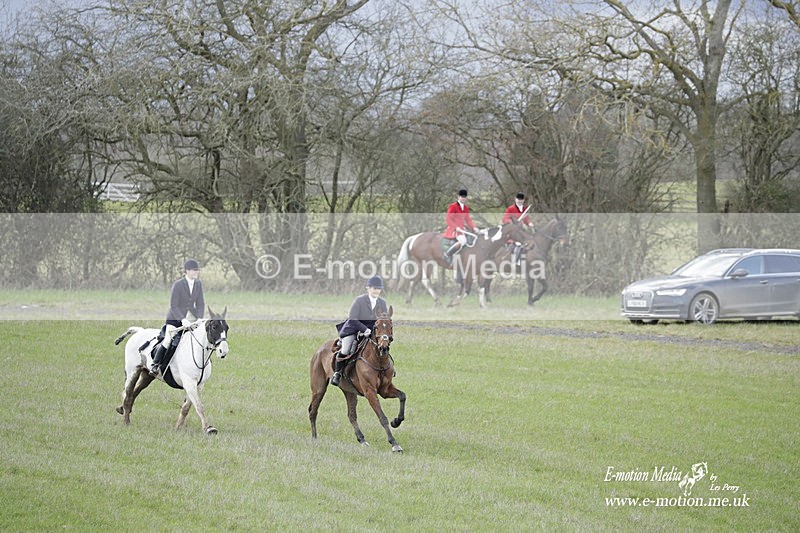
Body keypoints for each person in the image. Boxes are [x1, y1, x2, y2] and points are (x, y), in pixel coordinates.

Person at [149, 259, 205, 378]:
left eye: (197, 270)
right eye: (194, 270)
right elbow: (173, 306)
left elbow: (201, 303)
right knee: (169, 339)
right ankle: (156, 364)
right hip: (175, 317)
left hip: (191, 316)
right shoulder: (178, 285)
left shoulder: (198, 284)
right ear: (187, 271)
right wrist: (182, 320)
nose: (197, 272)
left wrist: (199, 317)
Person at [331, 275, 389, 387]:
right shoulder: (359, 300)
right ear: (368, 288)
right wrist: (364, 329)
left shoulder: (382, 303)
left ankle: (385, 371)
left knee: (382, 347)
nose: (377, 291)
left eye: (379, 289)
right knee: (346, 349)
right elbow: (352, 318)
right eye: (374, 288)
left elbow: (383, 320)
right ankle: (337, 373)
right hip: (353, 329)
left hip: (372, 332)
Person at [442, 188, 477, 266]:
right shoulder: (453, 206)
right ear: (458, 197)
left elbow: (468, 220)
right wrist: (455, 227)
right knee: (463, 241)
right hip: (453, 229)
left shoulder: (466, 208)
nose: (463, 198)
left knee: (472, 239)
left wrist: (474, 227)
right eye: (462, 196)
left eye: (464, 197)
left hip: (462, 229)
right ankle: (447, 254)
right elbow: (448, 219)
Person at [502, 192, 534, 264]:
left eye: (521, 199)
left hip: (521, 231)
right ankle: (515, 261)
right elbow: (505, 218)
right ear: (515, 199)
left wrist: (529, 223)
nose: (520, 201)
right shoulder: (510, 209)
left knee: (529, 241)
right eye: (518, 199)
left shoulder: (524, 209)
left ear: (523, 200)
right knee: (517, 244)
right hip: (512, 231)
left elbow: (526, 219)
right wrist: (511, 223)